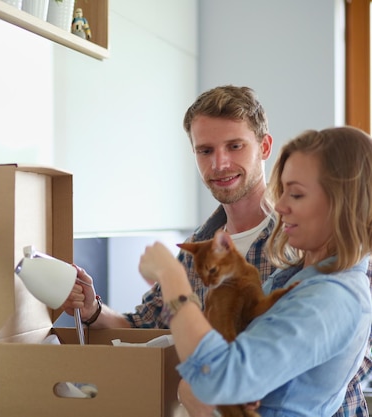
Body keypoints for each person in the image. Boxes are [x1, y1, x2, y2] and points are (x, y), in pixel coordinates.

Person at [62, 85, 372, 416]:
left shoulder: (312, 244)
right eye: (205, 151)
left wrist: (257, 377)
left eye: (235, 146)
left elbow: (352, 344)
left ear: (264, 147)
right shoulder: (199, 247)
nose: (220, 163)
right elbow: (147, 327)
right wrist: (92, 308)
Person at [138, 126, 372, 416]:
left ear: (343, 204)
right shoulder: (295, 277)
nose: (282, 206)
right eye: (283, 191)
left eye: (296, 194)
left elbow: (217, 380)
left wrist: (172, 277)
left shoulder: (332, 298)